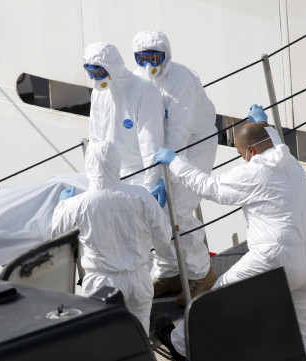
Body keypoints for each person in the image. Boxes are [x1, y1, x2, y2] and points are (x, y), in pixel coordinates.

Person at [155, 107, 306, 361]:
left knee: (217, 296)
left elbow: (208, 187)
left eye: (240, 154)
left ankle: (180, 345)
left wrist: (174, 161)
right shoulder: (287, 159)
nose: (242, 159)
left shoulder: (253, 171)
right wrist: (262, 122)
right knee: (302, 327)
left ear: (251, 151)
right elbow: (271, 140)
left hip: (274, 257)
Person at [132, 30, 218, 305]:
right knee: (156, 213)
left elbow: (179, 130)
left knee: (178, 210)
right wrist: (153, 172)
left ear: (166, 54)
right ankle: (170, 272)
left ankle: (200, 275)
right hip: (162, 149)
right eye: (142, 58)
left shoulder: (181, 79)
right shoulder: (140, 80)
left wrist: (162, 174)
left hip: (194, 144)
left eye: (154, 57)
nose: (149, 64)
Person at [51, 141, 172, 334]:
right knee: (139, 338)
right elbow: (164, 237)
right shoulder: (140, 195)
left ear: (89, 165)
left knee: (104, 341)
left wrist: (62, 205)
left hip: (102, 283)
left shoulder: (78, 205)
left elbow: (56, 233)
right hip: (139, 278)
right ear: (117, 163)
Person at [83, 42, 164, 191]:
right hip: (107, 176)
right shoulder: (99, 93)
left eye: (99, 73)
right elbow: (95, 137)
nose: (95, 79)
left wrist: (152, 181)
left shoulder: (143, 90)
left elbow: (150, 141)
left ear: (112, 67)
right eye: (91, 74)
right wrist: (94, 178)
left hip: (137, 176)